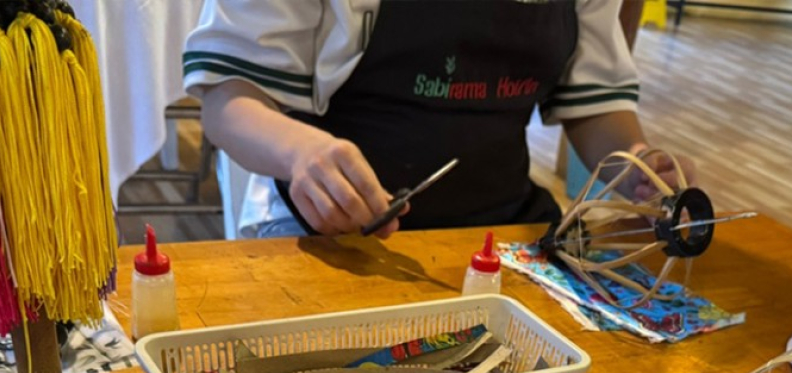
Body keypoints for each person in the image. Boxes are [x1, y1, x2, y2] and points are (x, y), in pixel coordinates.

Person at [183, 0, 696, 240]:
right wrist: (300, 153)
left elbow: (594, 103)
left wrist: (639, 167)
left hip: (509, 233)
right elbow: (228, 100)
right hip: (336, 236)